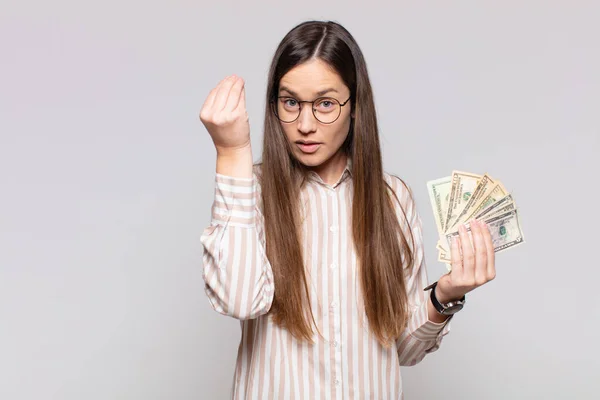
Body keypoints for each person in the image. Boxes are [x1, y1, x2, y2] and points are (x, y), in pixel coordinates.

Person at [199, 20, 496, 400]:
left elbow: (402, 349)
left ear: (355, 106)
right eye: (291, 102)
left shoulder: (393, 199)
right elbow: (238, 299)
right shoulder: (250, 191)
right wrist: (231, 153)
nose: (305, 125)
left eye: (325, 104)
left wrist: (445, 293)